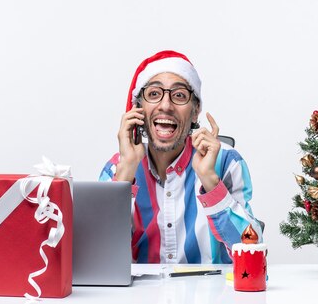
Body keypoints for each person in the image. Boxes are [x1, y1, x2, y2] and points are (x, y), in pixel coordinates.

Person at [99, 50, 263, 264]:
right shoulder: (116, 168)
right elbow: (99, 257)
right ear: (138, 109)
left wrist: (211, 182)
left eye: (179, 95)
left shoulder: (227, 162)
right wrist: (125, 175)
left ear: (195, 112)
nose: (166, 105)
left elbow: (254, 253)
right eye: (154, 94)